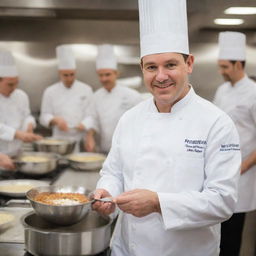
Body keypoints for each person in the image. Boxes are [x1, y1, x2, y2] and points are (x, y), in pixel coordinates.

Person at [92, 1, 241, 255]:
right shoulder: (130, 118)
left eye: (170, 65)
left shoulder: (216, 122)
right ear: (142, 69)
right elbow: (113, 171)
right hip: (127, 248)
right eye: (151, 67)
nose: (160, 76)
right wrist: (107, 191)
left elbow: (222, 201)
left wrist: (157, 203)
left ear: (189, 64)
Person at [213, 31, 256, 256]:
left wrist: (243, 166)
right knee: (216, 229)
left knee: (232, 232)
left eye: (225, 67)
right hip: (219, 169)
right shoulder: (222, 90)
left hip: (242, 173)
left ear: (239, 64)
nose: (221, 72)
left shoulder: (253, 92)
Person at [84, 44, 142, 154]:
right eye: (101, 75)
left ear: (116, 74)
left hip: (128, 151)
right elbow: (92, 118)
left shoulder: (132, 95)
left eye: (107, 74)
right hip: (104, 149)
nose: (104, 79)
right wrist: (89, 135)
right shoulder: (95, 96)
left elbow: (142, 121)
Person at [40, 45, 93, 151]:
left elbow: (92, 115)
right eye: (66, 75)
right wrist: (55, 120)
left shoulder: (86, 89)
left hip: (80, 140)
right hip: (59, 141)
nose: (69, 78)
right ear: (59, 73)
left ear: (75, 72)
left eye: (72, 74)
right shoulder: (50, 91)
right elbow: (43, 116)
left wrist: (84, 124)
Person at [0, 51, 41, 157]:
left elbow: (26, 116)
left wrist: (29, 125)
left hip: (17, 152)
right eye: (10, 84)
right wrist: (17, 134)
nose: (14, 88)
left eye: (16, 83)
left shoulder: (21, 95)